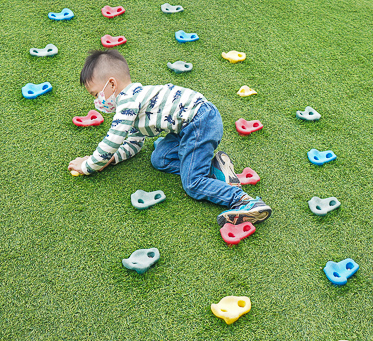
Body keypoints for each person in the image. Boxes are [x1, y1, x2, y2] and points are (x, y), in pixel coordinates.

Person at [68, 49, 273, 226]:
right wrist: (111, 159)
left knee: (193, 183)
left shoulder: (127, 103)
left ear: (112, 84)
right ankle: (217, 170)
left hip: (199, 123)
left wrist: (88, 166)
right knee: (160, 158)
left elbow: (113, 138)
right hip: (191, 125)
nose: (97, 101)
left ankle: (243, 201)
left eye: (96, 94)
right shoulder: (135, 98)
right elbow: (133, 142)